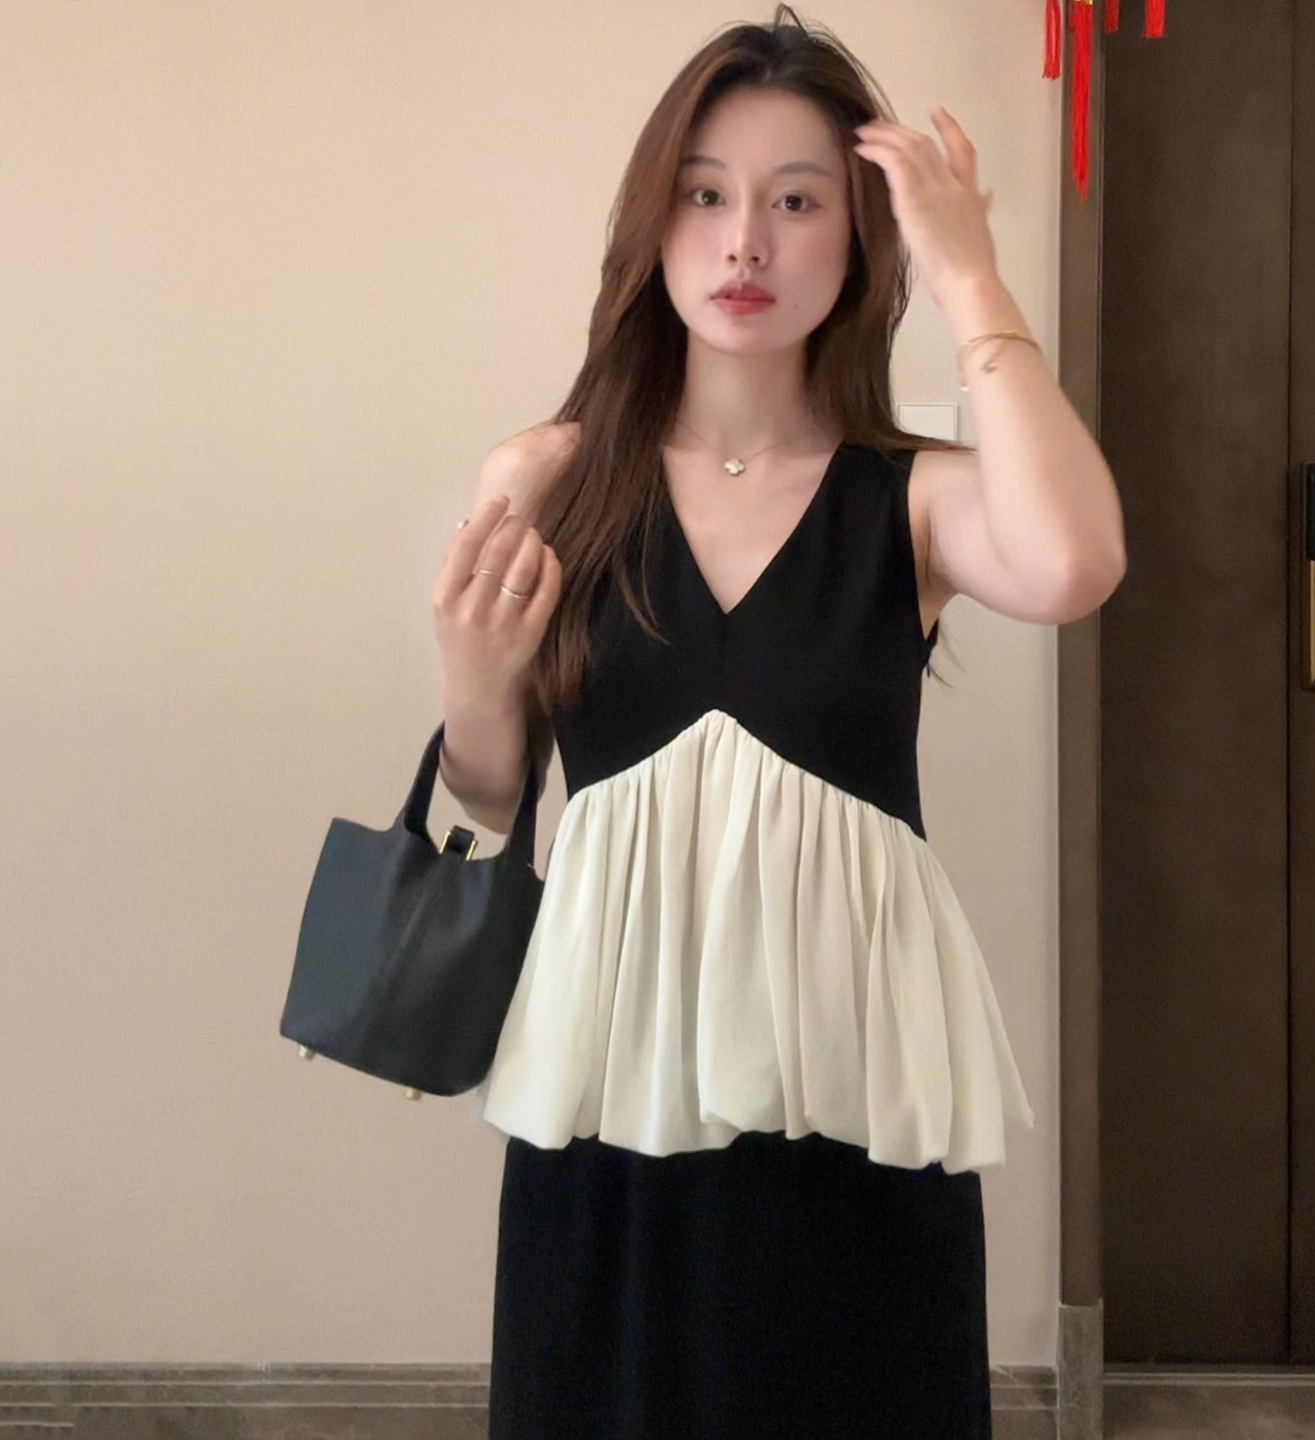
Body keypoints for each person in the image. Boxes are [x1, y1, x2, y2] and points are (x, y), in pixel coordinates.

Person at [430, 7, 1125, 1436]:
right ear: (654, 222)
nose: (744, 241)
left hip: (854, 1092)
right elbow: (491, 798)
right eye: (705, 194)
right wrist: (469, 679)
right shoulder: (552, 477)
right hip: (612, 1087)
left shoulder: (913, 498)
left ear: (860, 240)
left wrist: (973, 274)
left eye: (798, 202)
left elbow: (1072, 565)